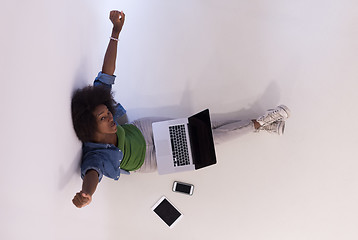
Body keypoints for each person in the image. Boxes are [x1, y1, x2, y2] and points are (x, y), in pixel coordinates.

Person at [71, 10, 291, 208]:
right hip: (149, 160)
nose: (109, 117)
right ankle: (260, 122)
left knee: (205, 125)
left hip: (142, 130)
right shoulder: (95, 156)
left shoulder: (101, 106)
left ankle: (261, 125)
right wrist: (86, 194)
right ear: (91, 128)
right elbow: (92, 174)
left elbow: (106, 73)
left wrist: (115, 32)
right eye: (103, 118)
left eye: (108, 113)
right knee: (210, 142)